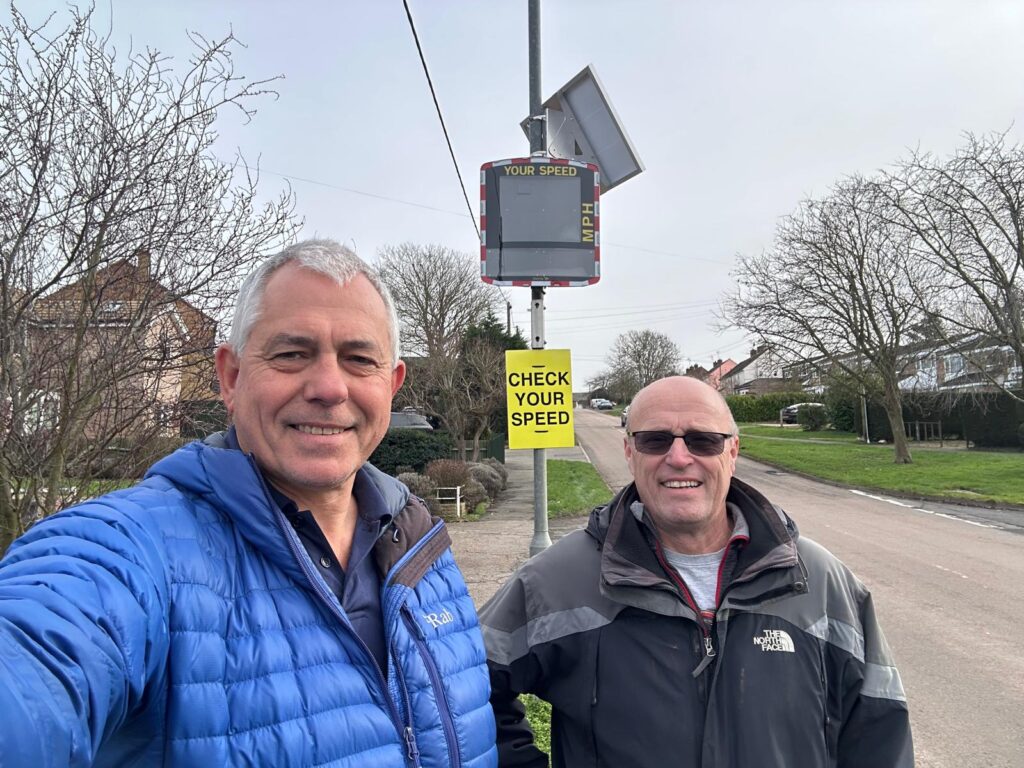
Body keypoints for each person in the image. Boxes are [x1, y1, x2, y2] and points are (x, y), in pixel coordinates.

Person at [0, 240, 497, 767]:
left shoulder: (423, 553)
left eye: (358, 359)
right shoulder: (133, 549)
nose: (329, 387)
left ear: (391, 384)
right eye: (291, 354)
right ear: (231, 377)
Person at [480, 375, 913, 767]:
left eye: (704, 440)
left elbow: (879, 733)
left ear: (733, 451)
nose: (680, 458)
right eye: (655, 440)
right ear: (630, 451)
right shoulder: (559, 579)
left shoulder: (819, 581)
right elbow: (466, 691)